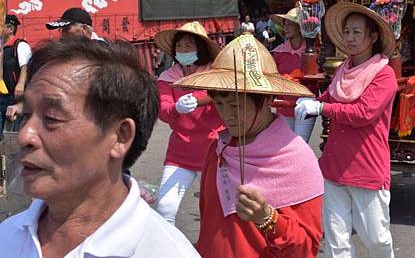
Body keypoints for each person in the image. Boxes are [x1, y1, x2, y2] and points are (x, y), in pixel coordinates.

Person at [0, 39, 200, 258]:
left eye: (51, 118)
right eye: (27, 115)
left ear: (120, 136)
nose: (24, 136)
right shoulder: (7, 236)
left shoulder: (165, 251)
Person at [176, 34, 323, 258]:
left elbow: (306, 248)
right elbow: (208, 221)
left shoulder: (296, 159)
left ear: (266, 100)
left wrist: (269, 220)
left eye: (236, 105)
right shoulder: (218, 150)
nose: (227, 115)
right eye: (220, 104)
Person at [296, 1, 398, 258]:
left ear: (373, 37)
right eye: (347, 32)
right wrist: (297, 101)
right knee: (336, 242)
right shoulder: (344, 70)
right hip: (333, 167)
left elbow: (364, 113)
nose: (350, 38)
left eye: (357, 32)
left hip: (367, 168)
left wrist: (321, 109)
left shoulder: (384, 75)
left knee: (377, 240)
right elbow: (326, 101)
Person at [153, 22, 225, 225]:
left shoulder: (214, 73)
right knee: (164, 209)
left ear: (200, 49)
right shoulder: (167, 78)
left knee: (216, 211)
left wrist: (197, 98)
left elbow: (218, 93)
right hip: (180, 154)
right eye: (179, 46)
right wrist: (177, 108)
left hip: (215, 152)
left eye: (188, 46)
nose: (182, 50)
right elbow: (164, 111)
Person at [270, 8, 315, 142]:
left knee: (301, 145)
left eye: (289, 24)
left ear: (299, 26)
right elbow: (272, 77)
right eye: (284, 24)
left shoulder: (312, 52)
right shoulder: (279, 52)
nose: (285, 27)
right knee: (285, 147)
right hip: (284, 106)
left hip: (305, 105)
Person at [0, 15, 32, 139]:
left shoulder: (20, 46)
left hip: (14, 97)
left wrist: (20, 84)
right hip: (1, 96)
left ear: (10, 29)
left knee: (12, 136)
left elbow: (26, 66)